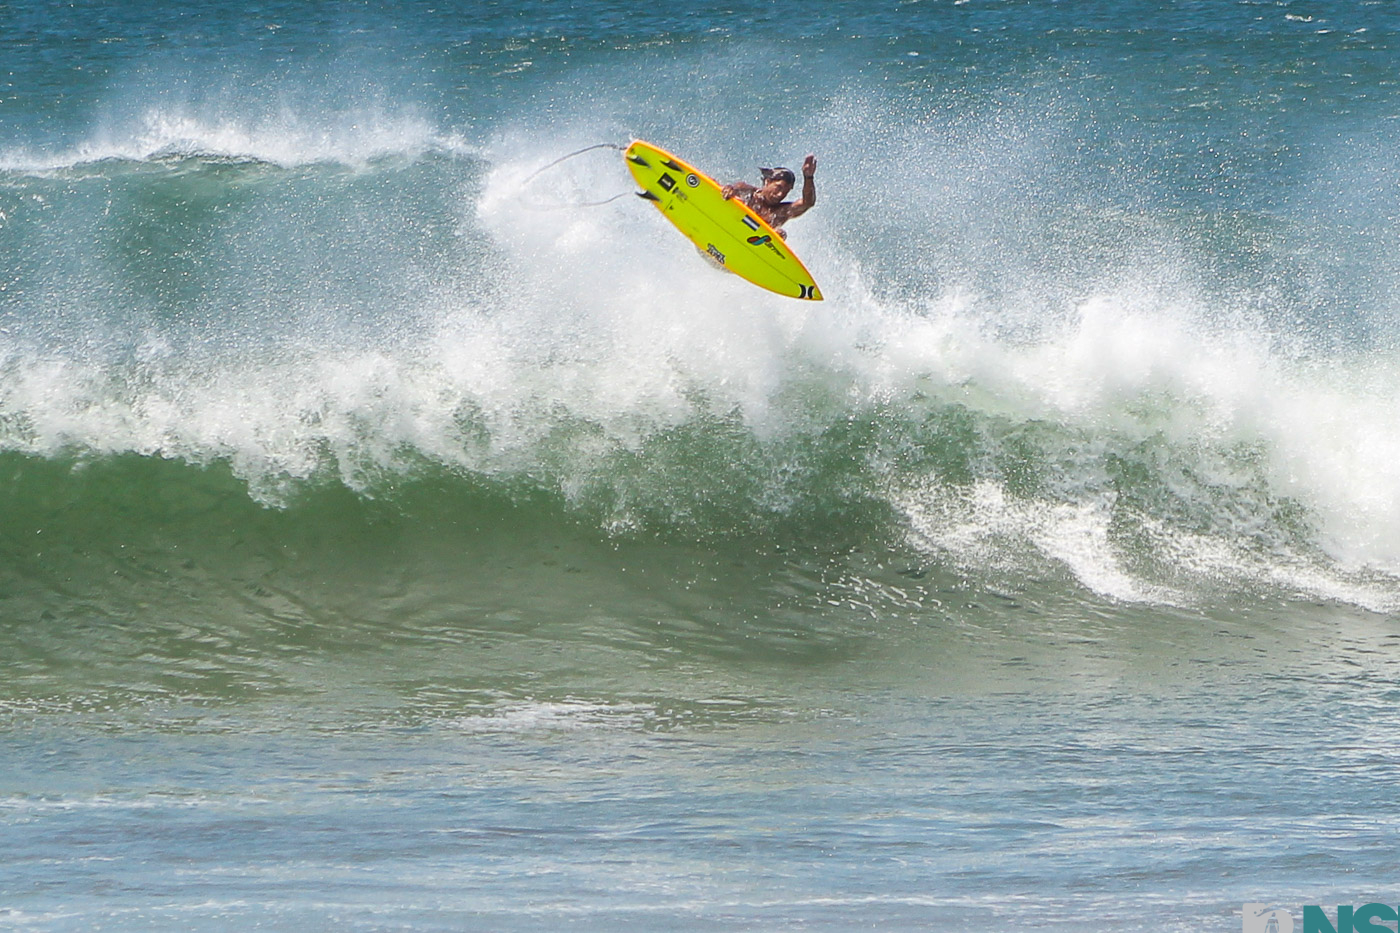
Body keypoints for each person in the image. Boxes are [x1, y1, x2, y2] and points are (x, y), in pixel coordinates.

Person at [720, 154, 816, 238]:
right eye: (778, 188)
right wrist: (728, 189)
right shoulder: (747, 191)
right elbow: (733, 189)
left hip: (750, 246)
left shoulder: (782, 211)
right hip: (726, 228)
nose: (780, 194)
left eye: (786, 191)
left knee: (780, 233)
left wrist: (808, 177)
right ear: (768, 182)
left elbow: (807, 203)